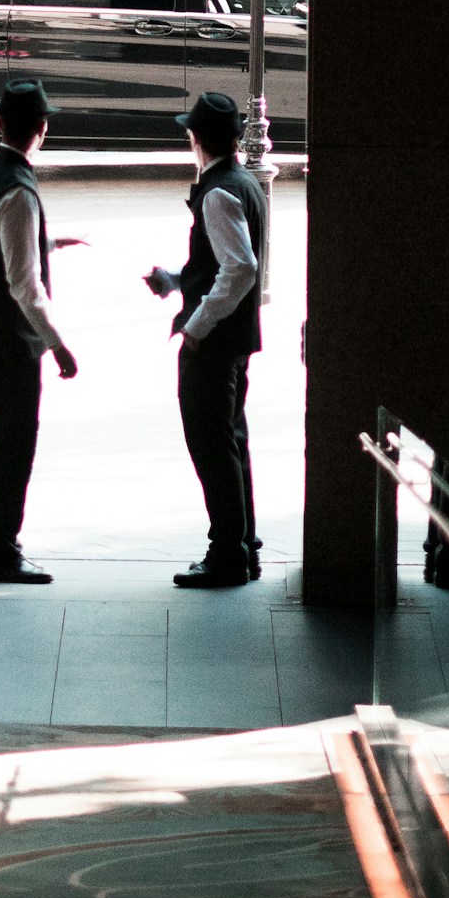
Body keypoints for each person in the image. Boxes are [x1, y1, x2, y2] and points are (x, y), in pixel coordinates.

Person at [144, 90, 265, 590]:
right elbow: (226, 262)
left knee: (212, 447)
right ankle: (243, 546)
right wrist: (177, 279)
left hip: (213, 343)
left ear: (195, 138)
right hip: (235, 339)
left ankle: (227, 555)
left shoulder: (217, 191)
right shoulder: (245, 184)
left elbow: (240, 269)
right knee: (232, 443)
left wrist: (194, 329)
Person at [0, 78, 79, 583]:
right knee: (13, 447)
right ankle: (2, 551)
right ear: (43, 129)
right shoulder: (19, 190)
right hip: (11, 343)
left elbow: (3, 248)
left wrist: (49, 243)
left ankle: (1, 545)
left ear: (0, 124)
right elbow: (24, 284)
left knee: (1, 442)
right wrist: (59, 345)